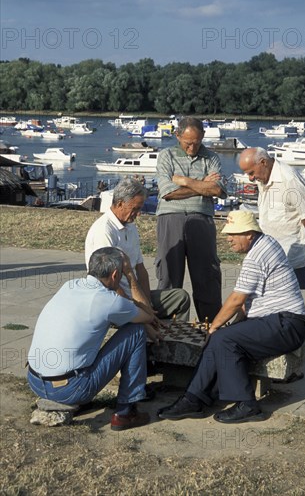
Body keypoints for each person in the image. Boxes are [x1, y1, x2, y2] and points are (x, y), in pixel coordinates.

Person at [158, 211, 305, 424]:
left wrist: (214, 327)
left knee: (221, 338)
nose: (228, 239)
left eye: (233, 234)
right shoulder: (264, 244)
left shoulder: (257, 255)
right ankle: (194, 398)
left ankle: (247, 404)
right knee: (221, 338)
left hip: (286, 324)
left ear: (249, 234)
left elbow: (237, 299)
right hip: (279, 321)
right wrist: (225, 327)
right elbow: (247, 303)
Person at [27, 247, 158, 431]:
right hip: (68, 389)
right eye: (120, 274)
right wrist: (130, 275)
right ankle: (126, 411)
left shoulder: (69, 285)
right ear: (114, 275)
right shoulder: (109, 300)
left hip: (34, 381)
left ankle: (71, 396)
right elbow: (147, 316)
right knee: (136, 331)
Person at [85, 178, 190, 321]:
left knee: (180, 297)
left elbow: (140, 269)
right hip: (116, 300)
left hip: (136, 297)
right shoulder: (104, 231)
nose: (138, 213)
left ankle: (172, 338)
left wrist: (148, 305)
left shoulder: (130, 226)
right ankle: (157, 336)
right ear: (120, 204)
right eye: (135, 208)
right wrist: (140, 312)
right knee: (147, 318)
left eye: (140, 208)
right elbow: (110, 284)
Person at [155, 117, 228, 322]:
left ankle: (211, 326)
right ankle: (168, 326)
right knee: (169, 274)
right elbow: (166, 193)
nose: (192, 146)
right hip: (170, 218)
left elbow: (217, 189)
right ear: (178, 136)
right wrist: (201, 186)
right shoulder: (166, 155)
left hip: (202, 218)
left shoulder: (211, 157)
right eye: (188, 142)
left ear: (203, 136)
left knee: (207, 275)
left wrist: (184, 181)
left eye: (197, 141)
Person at [239, 147, 305, 289]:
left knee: (289, 305)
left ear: (263, 162)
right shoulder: (263, 177)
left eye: (251, 173)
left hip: (292, 255)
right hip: (270, 254)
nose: (250, 178)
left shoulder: (289, 179)